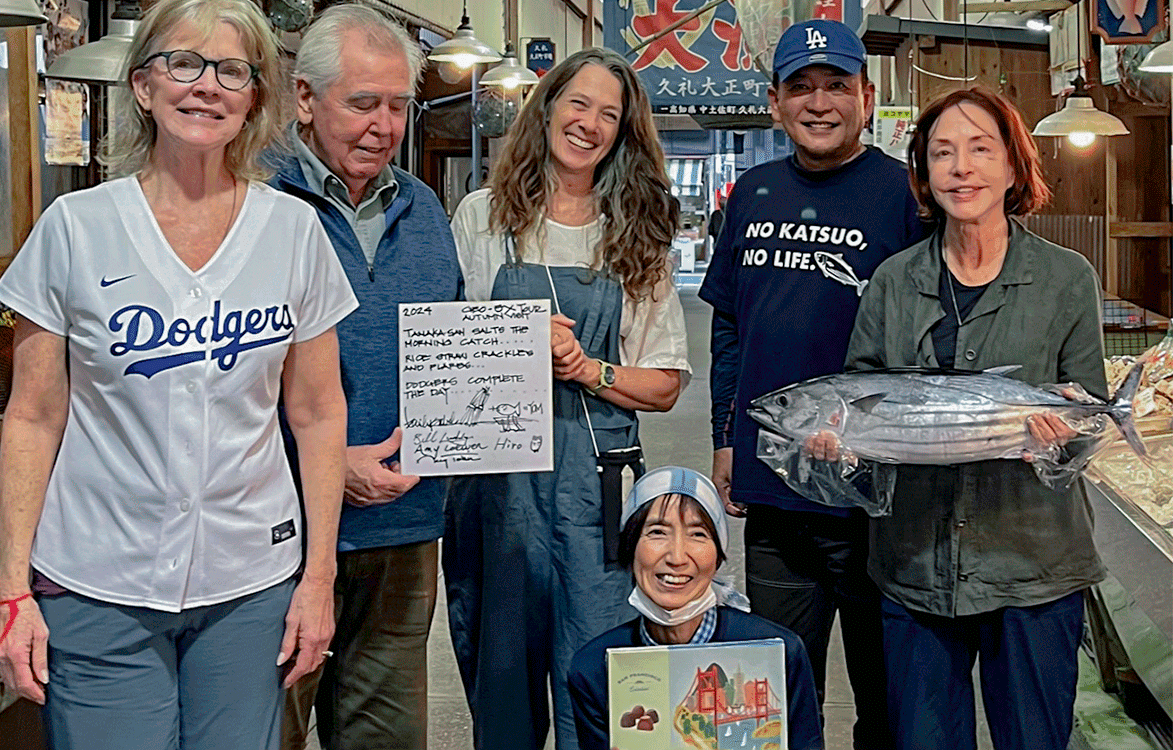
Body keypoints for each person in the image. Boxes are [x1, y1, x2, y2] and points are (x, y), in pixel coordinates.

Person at [0, 0, 356, 747]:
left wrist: (318, 580)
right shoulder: (75, 229)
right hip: (98, 579)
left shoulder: (293, 232)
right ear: (144, 86)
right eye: (183, 63)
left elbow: (319, 415)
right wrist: (12, 588)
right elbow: (31, 416)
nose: (206, 85)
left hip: (250, 583)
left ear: (255, 96)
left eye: (232, 70)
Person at [843, 86, 1107, 750]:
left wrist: (1063, 437)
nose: (963, 168)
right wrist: (841, 442)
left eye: (981, 149)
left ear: (1014, 167)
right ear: (925, 176)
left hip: (1035, 564)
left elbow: (1090, 415)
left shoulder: (1065, 278)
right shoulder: (893, 281)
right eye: (943, 153)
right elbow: (861, 395)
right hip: (914, 565)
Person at [443, 47, 689, 750]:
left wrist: (589, 369)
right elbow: (443, 352)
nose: (589, 124)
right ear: (547, 107)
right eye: (577, 103)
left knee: (604, 683)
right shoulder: (483, 217)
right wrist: (513, 340)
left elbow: (665, 382)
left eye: (609, 115)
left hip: (597, 490)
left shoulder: (635, 233)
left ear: (623, 134)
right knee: (502, 686)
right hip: (497, 487)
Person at [698, 19, 926, 749]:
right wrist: (725, 437)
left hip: (878, 497)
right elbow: (730, 326)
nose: (819, 102)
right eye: (802, 87)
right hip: (775, 491)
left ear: (866, 95)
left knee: (885, 698)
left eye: (836, 85)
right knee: (774, 699)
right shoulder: (754, 192)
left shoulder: (904, 196)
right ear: (775, 101)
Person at [267, 6, 462, 750]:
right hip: (280, 533)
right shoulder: (256, 204)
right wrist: (323, 463)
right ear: (306, 99)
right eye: (362, 103)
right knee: (268, 726)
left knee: (387, 736)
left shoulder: (424, 209)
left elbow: (448, 352)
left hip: (405, 530)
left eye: (397, 106)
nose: (383, 125)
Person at [567, 467, 824, 750]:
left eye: (698, 534)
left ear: (718, 555)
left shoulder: (780, 652)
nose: (677, 556)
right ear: (630, 548)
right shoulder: (593, 668)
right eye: (657, 532)